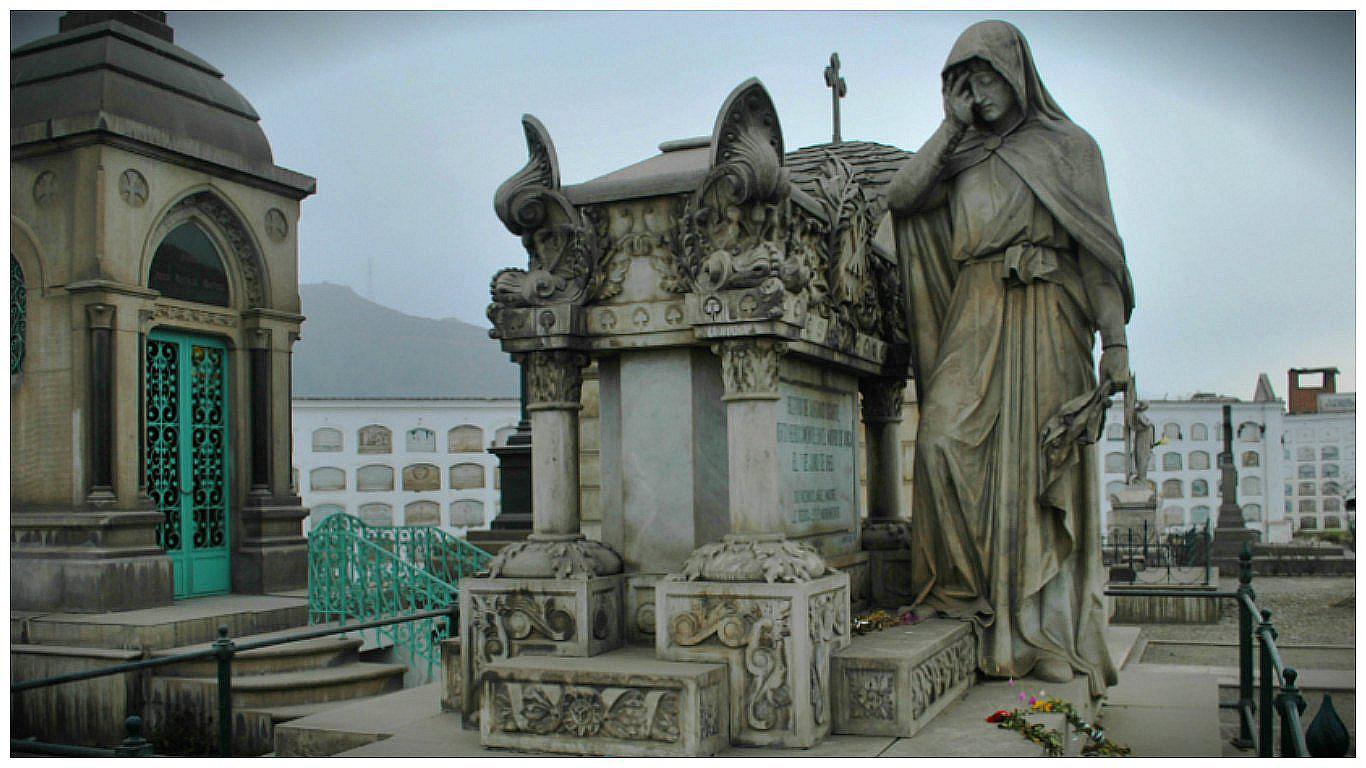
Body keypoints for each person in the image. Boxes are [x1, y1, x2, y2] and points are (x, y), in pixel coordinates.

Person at [886, 20, 1131, 695]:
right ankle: (966, 597)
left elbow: (1098, 254)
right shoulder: (959, 154)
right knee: (941, 441)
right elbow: (902, 198)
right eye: (962, 81)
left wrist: (1115, 344)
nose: (977, 91)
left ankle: (1045, 635)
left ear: (1017, 73)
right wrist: (950, 127)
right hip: (977, 306)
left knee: (1037, 467)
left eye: (985, 75)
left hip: (1050, 309)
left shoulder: (1070, 147)